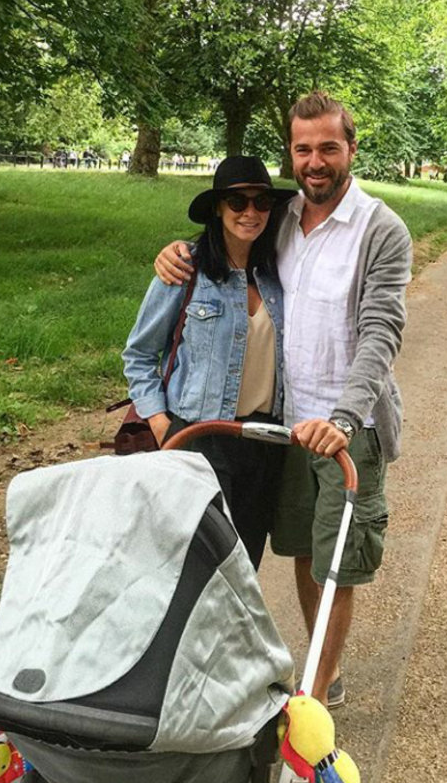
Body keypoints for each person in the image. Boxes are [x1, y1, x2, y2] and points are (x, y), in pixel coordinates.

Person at [154, 92, 412, 709]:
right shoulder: (281, 219)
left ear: (352, 149)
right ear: (291, 155)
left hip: (351, 428)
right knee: (301, 549)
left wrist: (344, 418)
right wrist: (175, 251)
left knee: (336, 564)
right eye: (303, 149)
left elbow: (381, 332)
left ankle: (316, 692)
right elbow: (228, 241)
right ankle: (327, 665)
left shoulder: (382, 230)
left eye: (329, 147)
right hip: (289, 425)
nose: (315, 161)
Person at [123, 156, 297, 570]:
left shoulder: (279, 273)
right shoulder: (186, 269)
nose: (250, 212)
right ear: (218, 208)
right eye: (237, 202)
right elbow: (139, 354)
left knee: (244, 566)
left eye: (261, 202)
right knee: (196, 566)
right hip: (200, 437)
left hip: (264, 441)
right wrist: (161, 422)